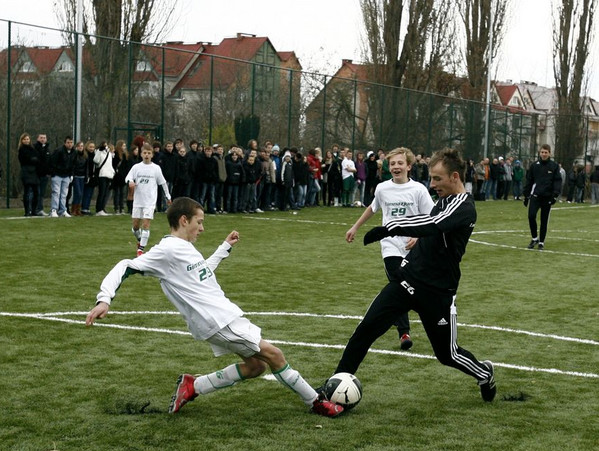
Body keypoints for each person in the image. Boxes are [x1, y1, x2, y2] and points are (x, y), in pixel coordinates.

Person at [85, 197, 343, 418]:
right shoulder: (167, 250)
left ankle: (193, 386)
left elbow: (201, 274)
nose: (202, 228)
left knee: (256, 366)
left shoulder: (185, 248)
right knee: (274, 355)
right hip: (218, 321)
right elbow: (126, 265)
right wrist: (104, 298)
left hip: (223, 316)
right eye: (199, 222)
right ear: (184, 220)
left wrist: (224, 248)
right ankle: (317, 402)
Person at [331, 147, 497, 403]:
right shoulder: (442, 200)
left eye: (437, 179)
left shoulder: (464, 206)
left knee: (447, 355)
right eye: (430, 178)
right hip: (408, 279)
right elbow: (427, 219)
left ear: (455, 177)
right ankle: (333, 388)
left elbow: (435, 223)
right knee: (366, 329)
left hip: (438, 291)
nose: (432, 185)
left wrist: (389, 228)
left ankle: (484, 373)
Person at [345, 148, 434, 350]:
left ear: (409, 166)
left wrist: (418, 237)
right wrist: (355, 227)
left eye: (400, 163)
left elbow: (431, 218)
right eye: (392, 164)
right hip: (390, 245)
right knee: (398, 283)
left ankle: (434, 319)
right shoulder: (382, 188)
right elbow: (373, 207)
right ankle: (404, 332)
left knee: (415, 288)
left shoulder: (418, 190)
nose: (396, 167)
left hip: (413, 247)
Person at [125, 142, 171, 256]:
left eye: (149, 153)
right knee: (135, 227)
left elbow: (163, 183)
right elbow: (128, 177)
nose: (146, 155)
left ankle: (140, 249)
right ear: (141, 154)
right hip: (138, 200)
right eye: (144, 153)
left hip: (150, 201)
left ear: (152, 155)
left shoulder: (156, 168)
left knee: (145, 224)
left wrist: (168, 197)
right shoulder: (136, 167)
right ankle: (140, 239)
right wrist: (130, 181)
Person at [524, 144, 562, 250]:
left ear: (549, 153)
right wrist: (526, 195)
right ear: (539, 153)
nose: (544, 154)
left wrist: (555, 195)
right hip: (535, 196)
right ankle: (534, 238)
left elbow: (557, 181)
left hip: (547, 197)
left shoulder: (554, 166)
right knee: (531, 216)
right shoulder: (534, 165)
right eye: (542, 152)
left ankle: (541, 242)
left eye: (546, 152)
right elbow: (529, 180)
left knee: (544, 220)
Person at [49, 136, 77, 218]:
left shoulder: (74, 152)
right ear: (65, 143)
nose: (70, 144)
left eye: (71, 142)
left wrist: (71, 174)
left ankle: (63, 210)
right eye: (68, 142)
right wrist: (53, 173)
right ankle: (54, 210)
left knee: (64, 194)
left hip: (67, 176)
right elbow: (52, 162)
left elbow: (73, 164)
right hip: (57, 175)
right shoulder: (59, 151)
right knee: (56, 192)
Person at [18, 133, 39, 217]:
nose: (27, 140)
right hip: (26, 172)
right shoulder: (21, 150)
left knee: (36, 192)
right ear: (22, 140)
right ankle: (27, 211)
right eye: (25, 139)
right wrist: (32, 159)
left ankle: (34, 210)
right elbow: (25, 160)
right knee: (27, 192)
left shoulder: (33, 149)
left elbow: (37, 158)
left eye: (28, 139)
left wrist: (33, 159)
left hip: (34, 172)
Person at [93, 141, 115, 216]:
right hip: (102, 174)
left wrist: (112, 172)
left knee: (105, 192)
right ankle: (98, 209)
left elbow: (110, 164)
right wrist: (99, 151)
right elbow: (96, 161)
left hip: (108, 175)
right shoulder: (99, 152)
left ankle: (102, 208)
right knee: (101, 192)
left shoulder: (109, 153)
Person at [33, 133, 51, 216]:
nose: (43, 139)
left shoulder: (47, 149)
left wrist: (48, 172)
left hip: (45, 175)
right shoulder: (35, 148)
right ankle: (34, 209)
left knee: (42, 193)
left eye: (44, 138)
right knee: (36, 193)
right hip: (36, 175)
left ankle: (40, 209)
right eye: (41, 138)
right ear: (38, 138)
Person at [70, 141, 87, 216]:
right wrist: (72, 175)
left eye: (82, 146)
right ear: (76, 147)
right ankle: (74, 209)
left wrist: (86, 176)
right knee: (78, 193)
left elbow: (87, 167)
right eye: (79, 146)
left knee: (81, 194)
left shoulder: (85, 156)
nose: (81, 147)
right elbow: (73, 166)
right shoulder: (74, 155)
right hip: (76, 176)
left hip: (82, 176)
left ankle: (77, 210)